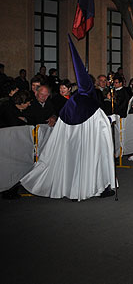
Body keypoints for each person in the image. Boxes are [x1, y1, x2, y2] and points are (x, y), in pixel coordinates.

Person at [20, 36, 116, 200]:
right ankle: (96, 187)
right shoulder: (93, 105)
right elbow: (103, 129)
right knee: (93, 163)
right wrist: (111, 119)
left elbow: (61, 126)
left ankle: (73, 189)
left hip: (74, 145)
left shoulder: (72, 102)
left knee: (74, 164)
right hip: (91, 145)